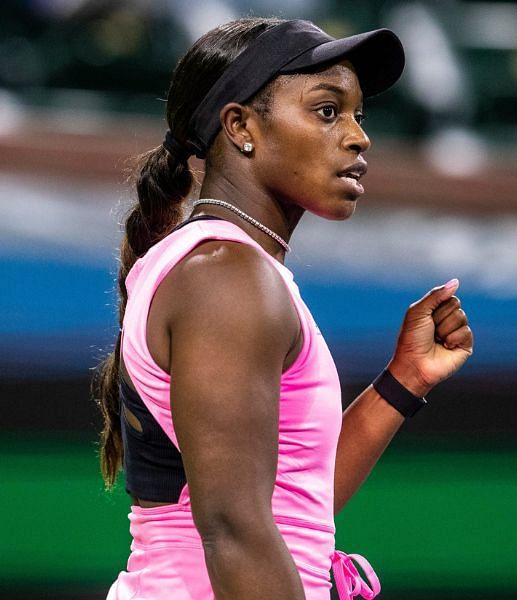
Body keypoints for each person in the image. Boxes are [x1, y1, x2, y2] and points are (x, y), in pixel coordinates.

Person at [92, 18, 474, 599]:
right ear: (241, 126)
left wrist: (404, 380)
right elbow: (236, 531)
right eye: (327, 111)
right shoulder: (227, 276)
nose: (357, 136)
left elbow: (295, 499)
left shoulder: (226, 268)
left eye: (357, 116)